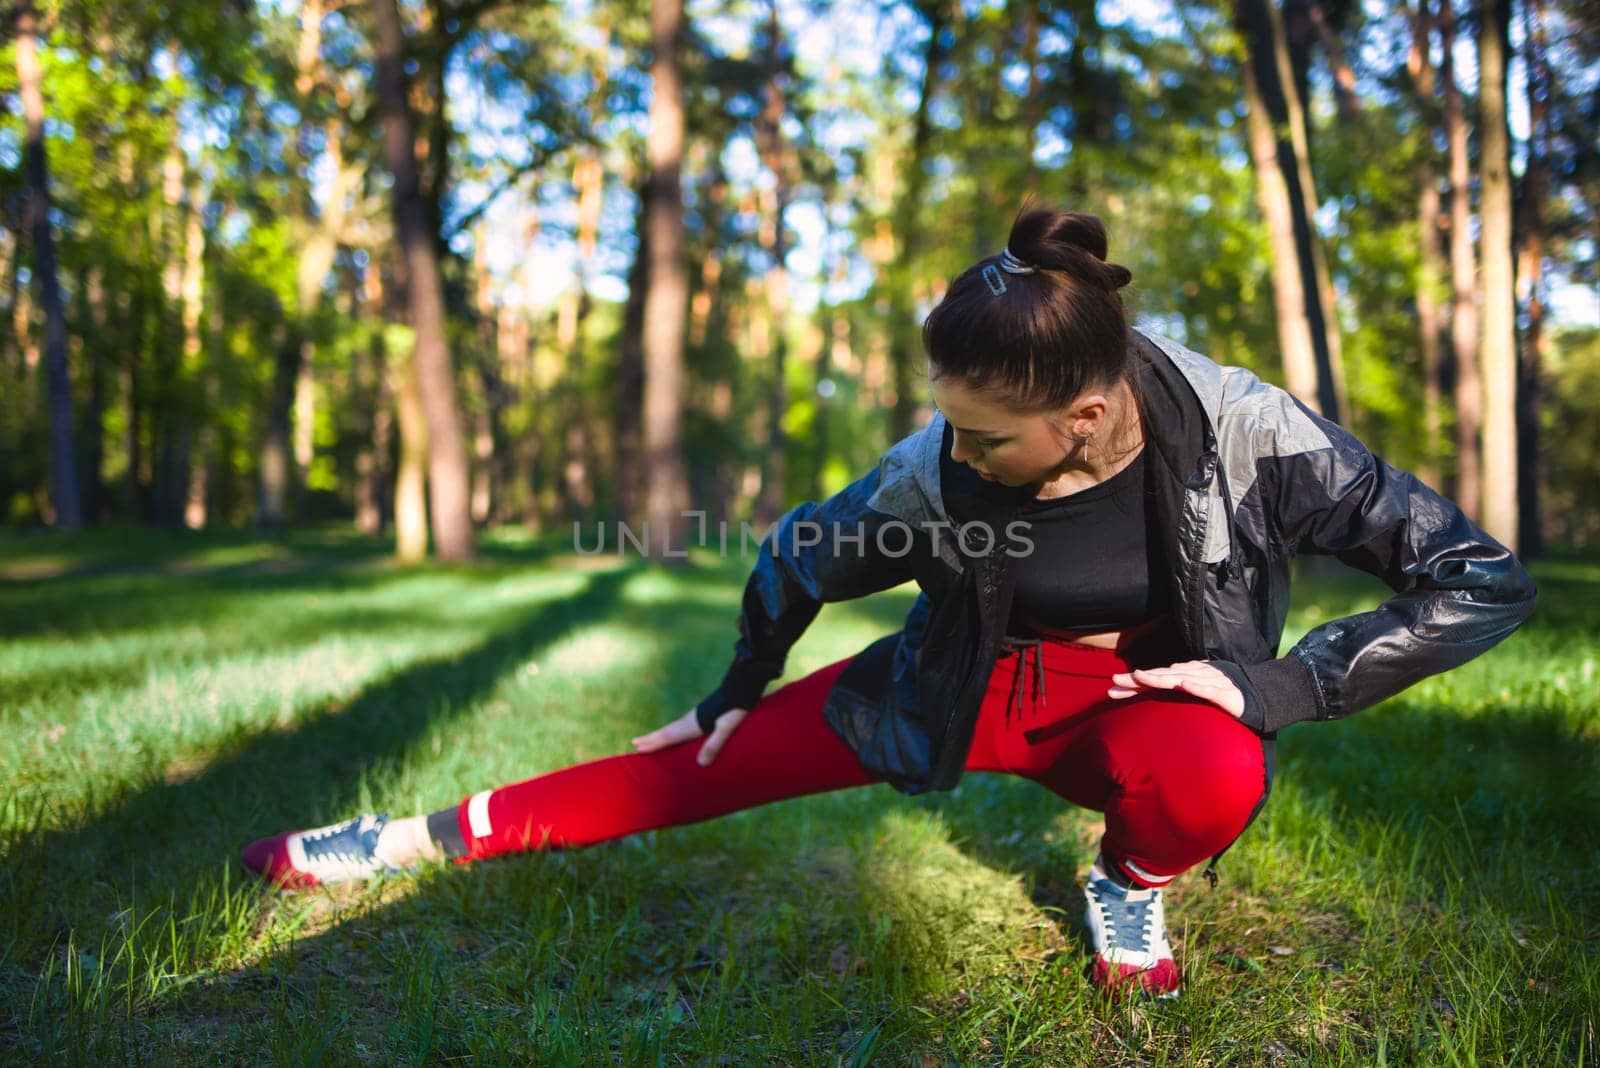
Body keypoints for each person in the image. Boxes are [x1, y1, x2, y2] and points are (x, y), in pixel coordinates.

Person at [242, 207, 1537, 998]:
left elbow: (1478, 576)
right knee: (679, 769)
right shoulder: (938, 460)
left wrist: (1285, 682)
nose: (950, 454)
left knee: (1213, 780)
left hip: (1147, 705)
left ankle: (1126, 881)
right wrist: (737, 687)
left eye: (986, 436)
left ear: (1086, 417)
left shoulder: (1252, 430)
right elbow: (801, 555)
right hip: (961, 682)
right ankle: (395, 840)